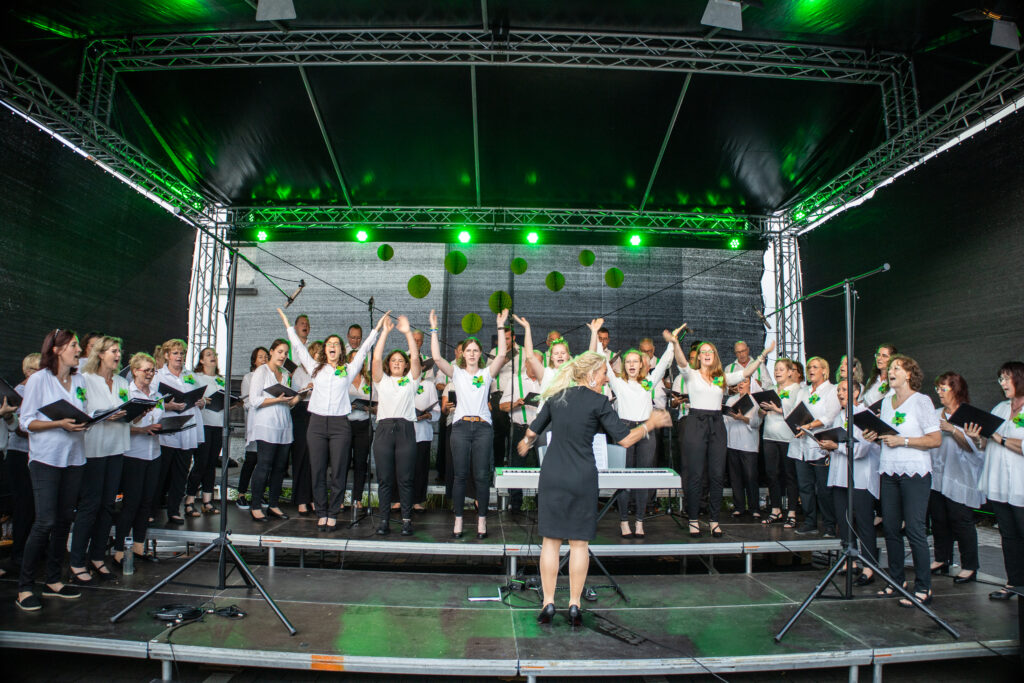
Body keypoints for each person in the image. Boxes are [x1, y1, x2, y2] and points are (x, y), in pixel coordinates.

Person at [517, 351, 672, 625]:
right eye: (602, 374)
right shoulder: (599, 402)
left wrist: (525, 444)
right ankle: (574, 604)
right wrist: (650, 423)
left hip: (553, 474)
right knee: (579, 543)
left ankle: (548, 602)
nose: (605, 379)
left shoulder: (556, 397)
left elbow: (532, 431)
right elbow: (625, 440)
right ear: (590, 374)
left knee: (550, 542)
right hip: (582, 476)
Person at [279, 309, 382, 530]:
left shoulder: (348, 370)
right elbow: (298, 347)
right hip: (316, 423)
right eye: (329, 343)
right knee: (317, 469)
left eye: (336, 343)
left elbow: (364, 350)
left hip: (339, 425)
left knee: (338, 470)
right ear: (325, 349)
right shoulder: (315, 368)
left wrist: (376, 329)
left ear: (341, 349)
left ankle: (333, 512)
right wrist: (288, 325)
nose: (333, 346)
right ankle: (321, 511)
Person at [669, 332, 775, 537]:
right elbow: (681, 362)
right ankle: (693, 519)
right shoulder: (691, 375)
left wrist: (763, 355)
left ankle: (714, 520)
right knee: (696, 474)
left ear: (715, 355)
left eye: (711, 351)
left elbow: (746, 373)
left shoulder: (721, 378)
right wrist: (675, 343)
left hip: (716, 423)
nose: (707, 354)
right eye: (704, 352)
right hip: (696, 422)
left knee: (717, 474)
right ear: (699, 357)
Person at [16, 329, 88, 611]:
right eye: (73, 345)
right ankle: (24, 587)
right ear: (56, 350)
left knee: (63, 521)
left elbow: (82, 410)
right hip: (46, 458)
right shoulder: (39, 379)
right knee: (44, 521)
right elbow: (25, 422)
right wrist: (58, 424)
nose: (79, 350)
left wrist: (87, 421)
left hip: (74, 458)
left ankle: (53, 580)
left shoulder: (79, 380)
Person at [862, 354, 941, 607]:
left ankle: (924, 586)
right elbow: (887, 436)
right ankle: (896, 581)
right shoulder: (886, 402)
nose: (891, 371)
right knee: (891, 528)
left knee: (915, 529)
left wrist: (903, 441)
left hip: (915, 472)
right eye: (890, 368)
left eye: (897, 367)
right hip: (889, 471)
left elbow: (935, 439)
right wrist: (874, 436)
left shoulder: (922, 401)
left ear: (909, 374)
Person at [589, 317, 675, 538]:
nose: (632, 365)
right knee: (624, 478)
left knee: (643, 477)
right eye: (628, 362)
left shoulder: (648, 382)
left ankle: (639, 520)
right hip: (624, 431)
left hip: (646, 432)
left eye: (636, 361)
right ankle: (624, 520)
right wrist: (596, 335)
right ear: (625, 365)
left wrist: (672, 342)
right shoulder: (618, 382)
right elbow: (602, 360)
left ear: (642, 364)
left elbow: (664, 362)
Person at [429, 307, 508, 539]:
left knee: (482, 475)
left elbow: (502, 355)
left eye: (475, 350)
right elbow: (437, 358)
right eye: (468, 350)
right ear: (462, 354)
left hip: (482, 428)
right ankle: (459, 520)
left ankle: (482, 520)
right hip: (461, 428)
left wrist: (500, 326)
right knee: (460, 475)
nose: (472, 354)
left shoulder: (486, 374)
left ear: (480, 353)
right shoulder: (457, 373)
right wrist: (434, 329)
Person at [71, 335, 130, 583]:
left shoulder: (122, 382)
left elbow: (127, 408)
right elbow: (80, 410)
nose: (118, 355)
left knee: (108, 505)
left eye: (119, 351)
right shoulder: (85, 379)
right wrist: (103, 414)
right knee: (90, 505)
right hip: (94, 449)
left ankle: (97, 557)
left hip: (117, 447)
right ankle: (76, 561)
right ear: (100, 354)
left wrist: (138, 411)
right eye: (113, 351)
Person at [818, 380, 880, 586]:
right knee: (843, 519)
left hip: (860, 477)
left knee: (863, 521)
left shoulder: (865, 415)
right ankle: (848, 559)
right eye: (838, 390)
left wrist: (836, 446)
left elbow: (862, 449)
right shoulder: (838, 416)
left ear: (856, 392)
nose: (840, 393)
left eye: (844, 389)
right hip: (839, 476)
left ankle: (869, 566)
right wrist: (826, 446)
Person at [928, 372, 983, 583]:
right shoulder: (935, 413)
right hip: (937, 473)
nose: (940, 393)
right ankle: (942, 558)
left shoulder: (968, 415)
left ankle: (969, 565)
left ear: (956, 390)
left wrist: (952, 430)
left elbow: (974, 448)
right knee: (939, 519)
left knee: (961, 520)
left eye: (944, 389)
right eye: (938, 389)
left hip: (959, 475)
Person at [976, 361, 1024, 601]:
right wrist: (978, 437)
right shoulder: (1000, 408)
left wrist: (1000, 438)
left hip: (1021, 484)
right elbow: (986, 443)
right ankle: (1013, 582)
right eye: (1000, 379)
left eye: (1007, 378)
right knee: (1008, 535)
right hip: (1000, 484)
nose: (1003, 383)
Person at [371, 315, 421, 535]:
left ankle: (407, 520)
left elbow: (416, 358)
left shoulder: (411, 381)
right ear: (389, 365)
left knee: (406, 479)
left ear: (405, 365)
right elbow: (375, 358)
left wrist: (408, 333)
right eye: (394, 360)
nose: (398, 363)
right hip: (384, 430)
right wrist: (385, 332)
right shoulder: (382, 380)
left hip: (405, 430)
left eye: (401, 360)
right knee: (384, 479)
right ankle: (384, 520)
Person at [113, 352, 164, 570]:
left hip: (154, 452)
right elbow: (121, 424)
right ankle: (118, 550)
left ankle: (139, 547)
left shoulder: (157, 394)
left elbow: (160, 418)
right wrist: (142, 428)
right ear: (135, 371)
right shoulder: (126, 392)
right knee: (131, 503)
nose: (150, 374)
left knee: (146, 502)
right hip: (133, 453)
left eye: (153, 370)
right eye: (146, 370)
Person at [248, 338, 301, 522]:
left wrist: (300, 396)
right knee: (264, 465)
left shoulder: (284, 374)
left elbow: (289, 403)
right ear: (271, 352)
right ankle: (255, 505)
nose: (283, 356)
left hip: (284, 424)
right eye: (279, 352)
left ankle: (273, 504)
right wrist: (277, 400)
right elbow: (254, 400)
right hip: (266, 424)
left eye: (285, 353)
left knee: (280, 467)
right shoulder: (261, 371)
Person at [154, 338, 206, 524]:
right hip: (168, 429)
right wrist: (167, 406)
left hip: (188, 428)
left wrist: (201, 402)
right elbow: (152, 402)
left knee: (181, 473)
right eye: (175, 353)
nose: (179, 356)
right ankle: (152, 509)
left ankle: (174, 510)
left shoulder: (189, 375)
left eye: (182, 353)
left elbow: (200, 397)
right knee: (162, 473)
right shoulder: (159, 376)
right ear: (167, 355)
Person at [790, 356, 841, 536]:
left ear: (824, 371)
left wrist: (810, 425)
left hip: (820, 445)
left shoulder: (831, 390)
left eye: (815, 367)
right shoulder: (803, 391)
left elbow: (830, 416)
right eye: (809, 367)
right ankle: (810, 522)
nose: (811, 370)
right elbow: (796, 411)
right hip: (801, 445)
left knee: (824, 488)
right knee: (805, 487)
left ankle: (829, 524)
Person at [499, 347, 544, 513]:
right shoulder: (515, 381)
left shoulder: (545, 381)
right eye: (533, 362)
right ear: (526, 363)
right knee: (516, 466)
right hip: (519, 428)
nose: (536, 365)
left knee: (544, 466)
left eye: (539, 362)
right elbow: (502, 406)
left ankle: (542, 503)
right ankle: (515, 505)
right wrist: (516, 404)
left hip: (540, 430)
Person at [5, 353, 40, 568]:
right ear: (27, 371)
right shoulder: (19, 392)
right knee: (24, 504)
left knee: (34, 506)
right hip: (19, 453)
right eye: (36, 369)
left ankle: (33, 551)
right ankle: (18, 553)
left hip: (35, 454)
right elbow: (18, 428)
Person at [760, 358, 803, 528]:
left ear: (790, 372)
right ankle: (776, 509)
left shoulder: (796, 389)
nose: (777, 372)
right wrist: (763, 410)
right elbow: (761, 412)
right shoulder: (771, 389)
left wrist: (777, 409)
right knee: (772, 474)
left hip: (787, 437)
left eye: (781, 369)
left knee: (789, 475)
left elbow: (796, 413)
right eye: (776, 369)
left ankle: (791, 512)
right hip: (769, 436)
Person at [185, 347, 224, 517]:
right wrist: (202, 400)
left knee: (211, 463)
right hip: (203, 423)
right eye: (208, 355)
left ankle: (207, 501)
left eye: (214, 354)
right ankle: (189, 500)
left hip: (218, 423)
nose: (212, 357)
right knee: (201, 462)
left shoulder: (221, 379)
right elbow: (191, 396)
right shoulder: (196, 377)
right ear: (201, 360)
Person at [236, 346, 268, 510]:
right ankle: (241, 494)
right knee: (250, 460)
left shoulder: (271, 377)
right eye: (260, 357)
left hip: (267, 424)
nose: (264, 359)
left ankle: (258, 493)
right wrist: (262, 402)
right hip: (254, 422)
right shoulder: (248, 378)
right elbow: (246, 402)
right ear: (254, 361)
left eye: (266, 357)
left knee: (264, 461)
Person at [725, 377, 761, 518]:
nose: (741, 384)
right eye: (739, 381)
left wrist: (742, 418)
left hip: (749, 444)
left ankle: (754, 507)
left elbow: (757, 423)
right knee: (735, 477)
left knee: (750, 477)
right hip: (732, 442)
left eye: (744, 382)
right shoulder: (731, 400)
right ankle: (739, 506)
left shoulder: (755, 401)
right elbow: (725, 420)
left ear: (751, 384)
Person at [348, 350, 375, 511]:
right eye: (354, 359)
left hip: (364, 424)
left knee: (361, 462)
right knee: (343, 462)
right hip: (346, 424)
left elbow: (377, 405)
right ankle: (339, 498)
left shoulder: (369, 380)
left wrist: (368, 407)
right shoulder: (344, 378)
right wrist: (348, 406)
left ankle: (357, 498)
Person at [413, 362, 441, 511]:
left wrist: (427, 415)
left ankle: (417, 500)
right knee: (401, 468)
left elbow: (436, 410)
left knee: (420, 468)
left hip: (422, 432)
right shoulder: (400, 383)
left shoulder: (428, 385)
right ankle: (398, 499)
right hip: (403, 432)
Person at [862, 343, 897, 408]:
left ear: (892, 359)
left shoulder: (895, 380)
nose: (879, 358)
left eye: (884, 356)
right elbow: (865, 403)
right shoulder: (872, 379)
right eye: (878, 355)